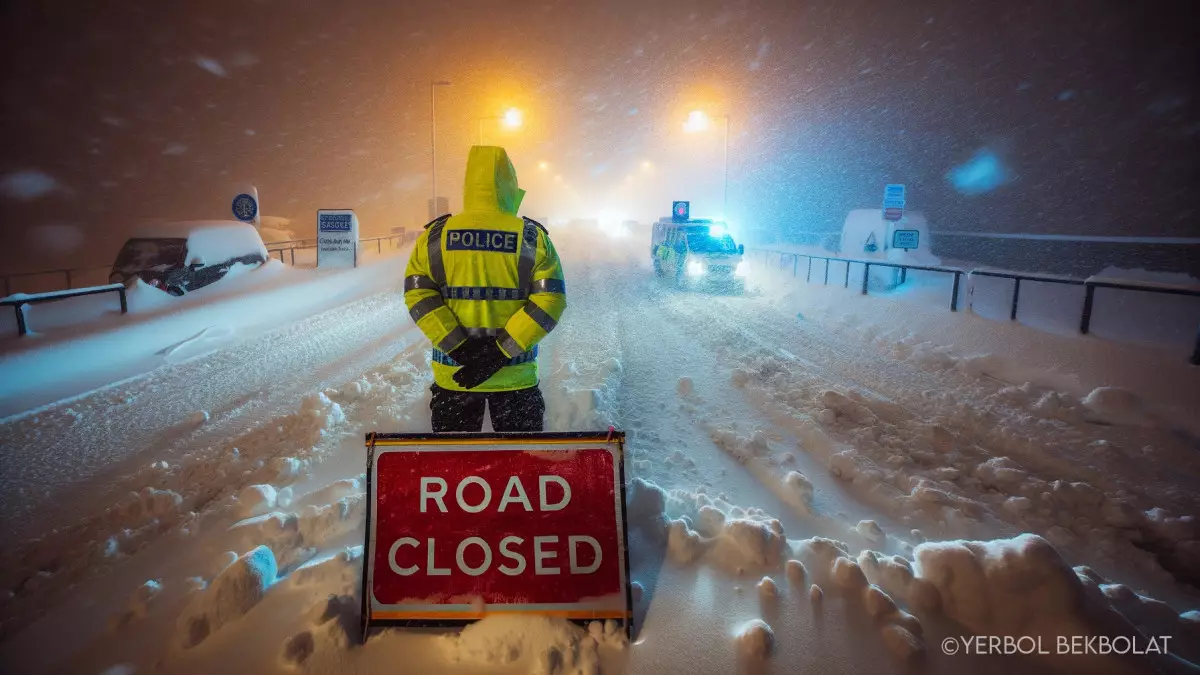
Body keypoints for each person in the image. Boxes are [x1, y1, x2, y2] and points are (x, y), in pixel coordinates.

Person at [403, 146, 566, 432]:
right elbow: (550, 301)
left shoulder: (436, 236)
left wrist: (461, 349)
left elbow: (419, 296)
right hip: (516, 377)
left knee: (454, 467)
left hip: (454, 374)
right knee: (521, 466)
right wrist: (500, 352)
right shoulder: (531, 237)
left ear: (468, 185)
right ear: (510, 185)